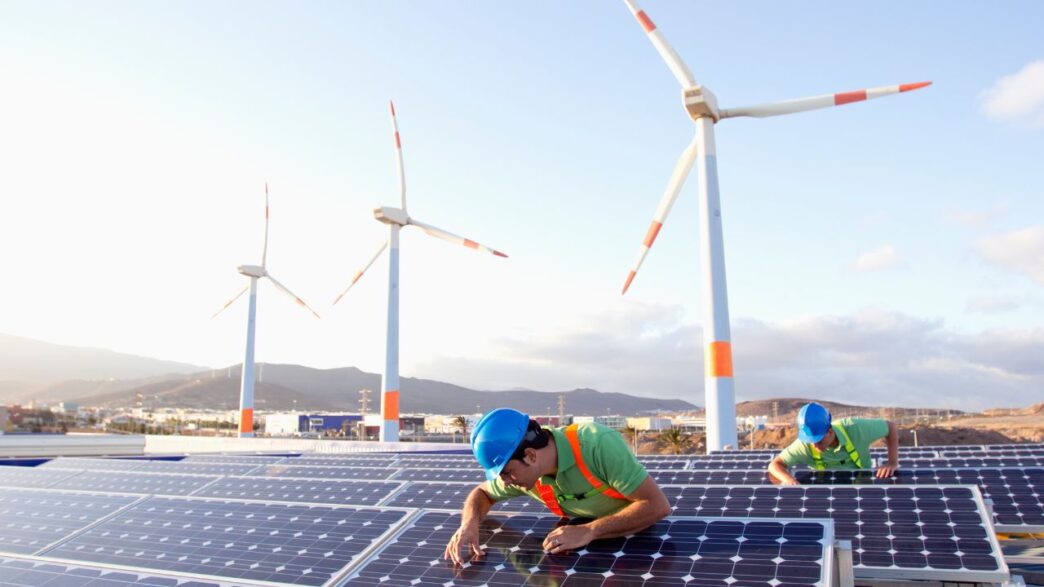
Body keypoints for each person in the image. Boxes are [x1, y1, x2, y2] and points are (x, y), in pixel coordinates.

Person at [443, 408, 671, 566]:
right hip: (585, 556)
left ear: (531, 455)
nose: (505, 482)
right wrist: (469, 523)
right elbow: (481, 492)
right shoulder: (525, 475)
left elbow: (657, 506)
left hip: (641, 549)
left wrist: (590, 530)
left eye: (506, 472)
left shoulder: (597, 445)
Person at [767, 402, 899, 486]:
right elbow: (775, 465)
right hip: (825, 493)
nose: (814, 446)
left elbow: (891, 427)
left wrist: (892, 462)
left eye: (818, 440)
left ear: (830, 431)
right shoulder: (804, 444)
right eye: (810, 441)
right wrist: (789, 481)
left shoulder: (855, 428)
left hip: (862, 488)